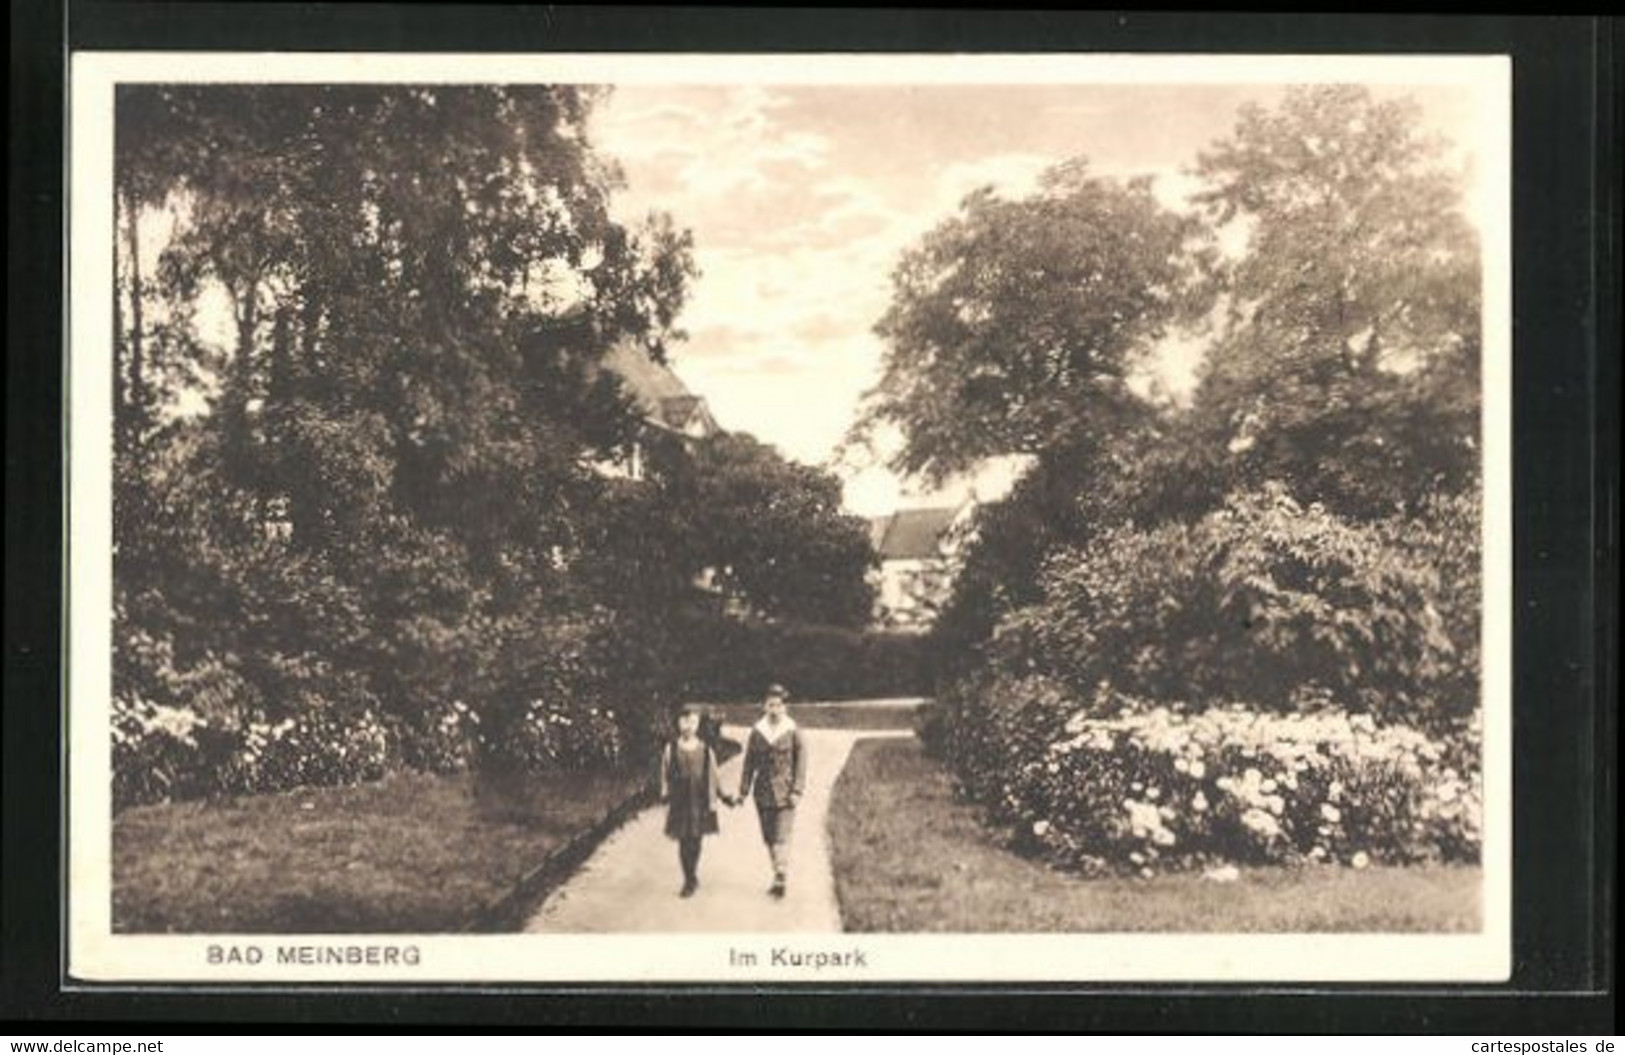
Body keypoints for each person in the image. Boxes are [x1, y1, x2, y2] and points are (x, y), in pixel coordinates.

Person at [734, 683, 807, 898]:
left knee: (781, 835)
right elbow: (749, 763)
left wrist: (797, 790)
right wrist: (743, 791)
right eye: (770, 705)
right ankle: (778, 871)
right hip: (763, 793)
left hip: (785, 793)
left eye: (778, 705)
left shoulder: (793, 730)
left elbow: (801, 762)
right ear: (764, 707)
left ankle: (780, 875)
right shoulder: (758, 732)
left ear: (784, 707)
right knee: (769, 837)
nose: (774, 709)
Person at [659, 704, 723, 898]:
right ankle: (688, 878)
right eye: (684, 721)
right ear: (678, 723)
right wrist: (665, 793)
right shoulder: (671, 749)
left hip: (700, 801)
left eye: (692, 722)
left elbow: (713, 776)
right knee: (683, 840)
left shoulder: (705, 750)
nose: (688, 726)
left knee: (696, 839)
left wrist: (714, 799)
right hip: (680, 801)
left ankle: (693, 872)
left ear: (698, 725)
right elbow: (665, 773)